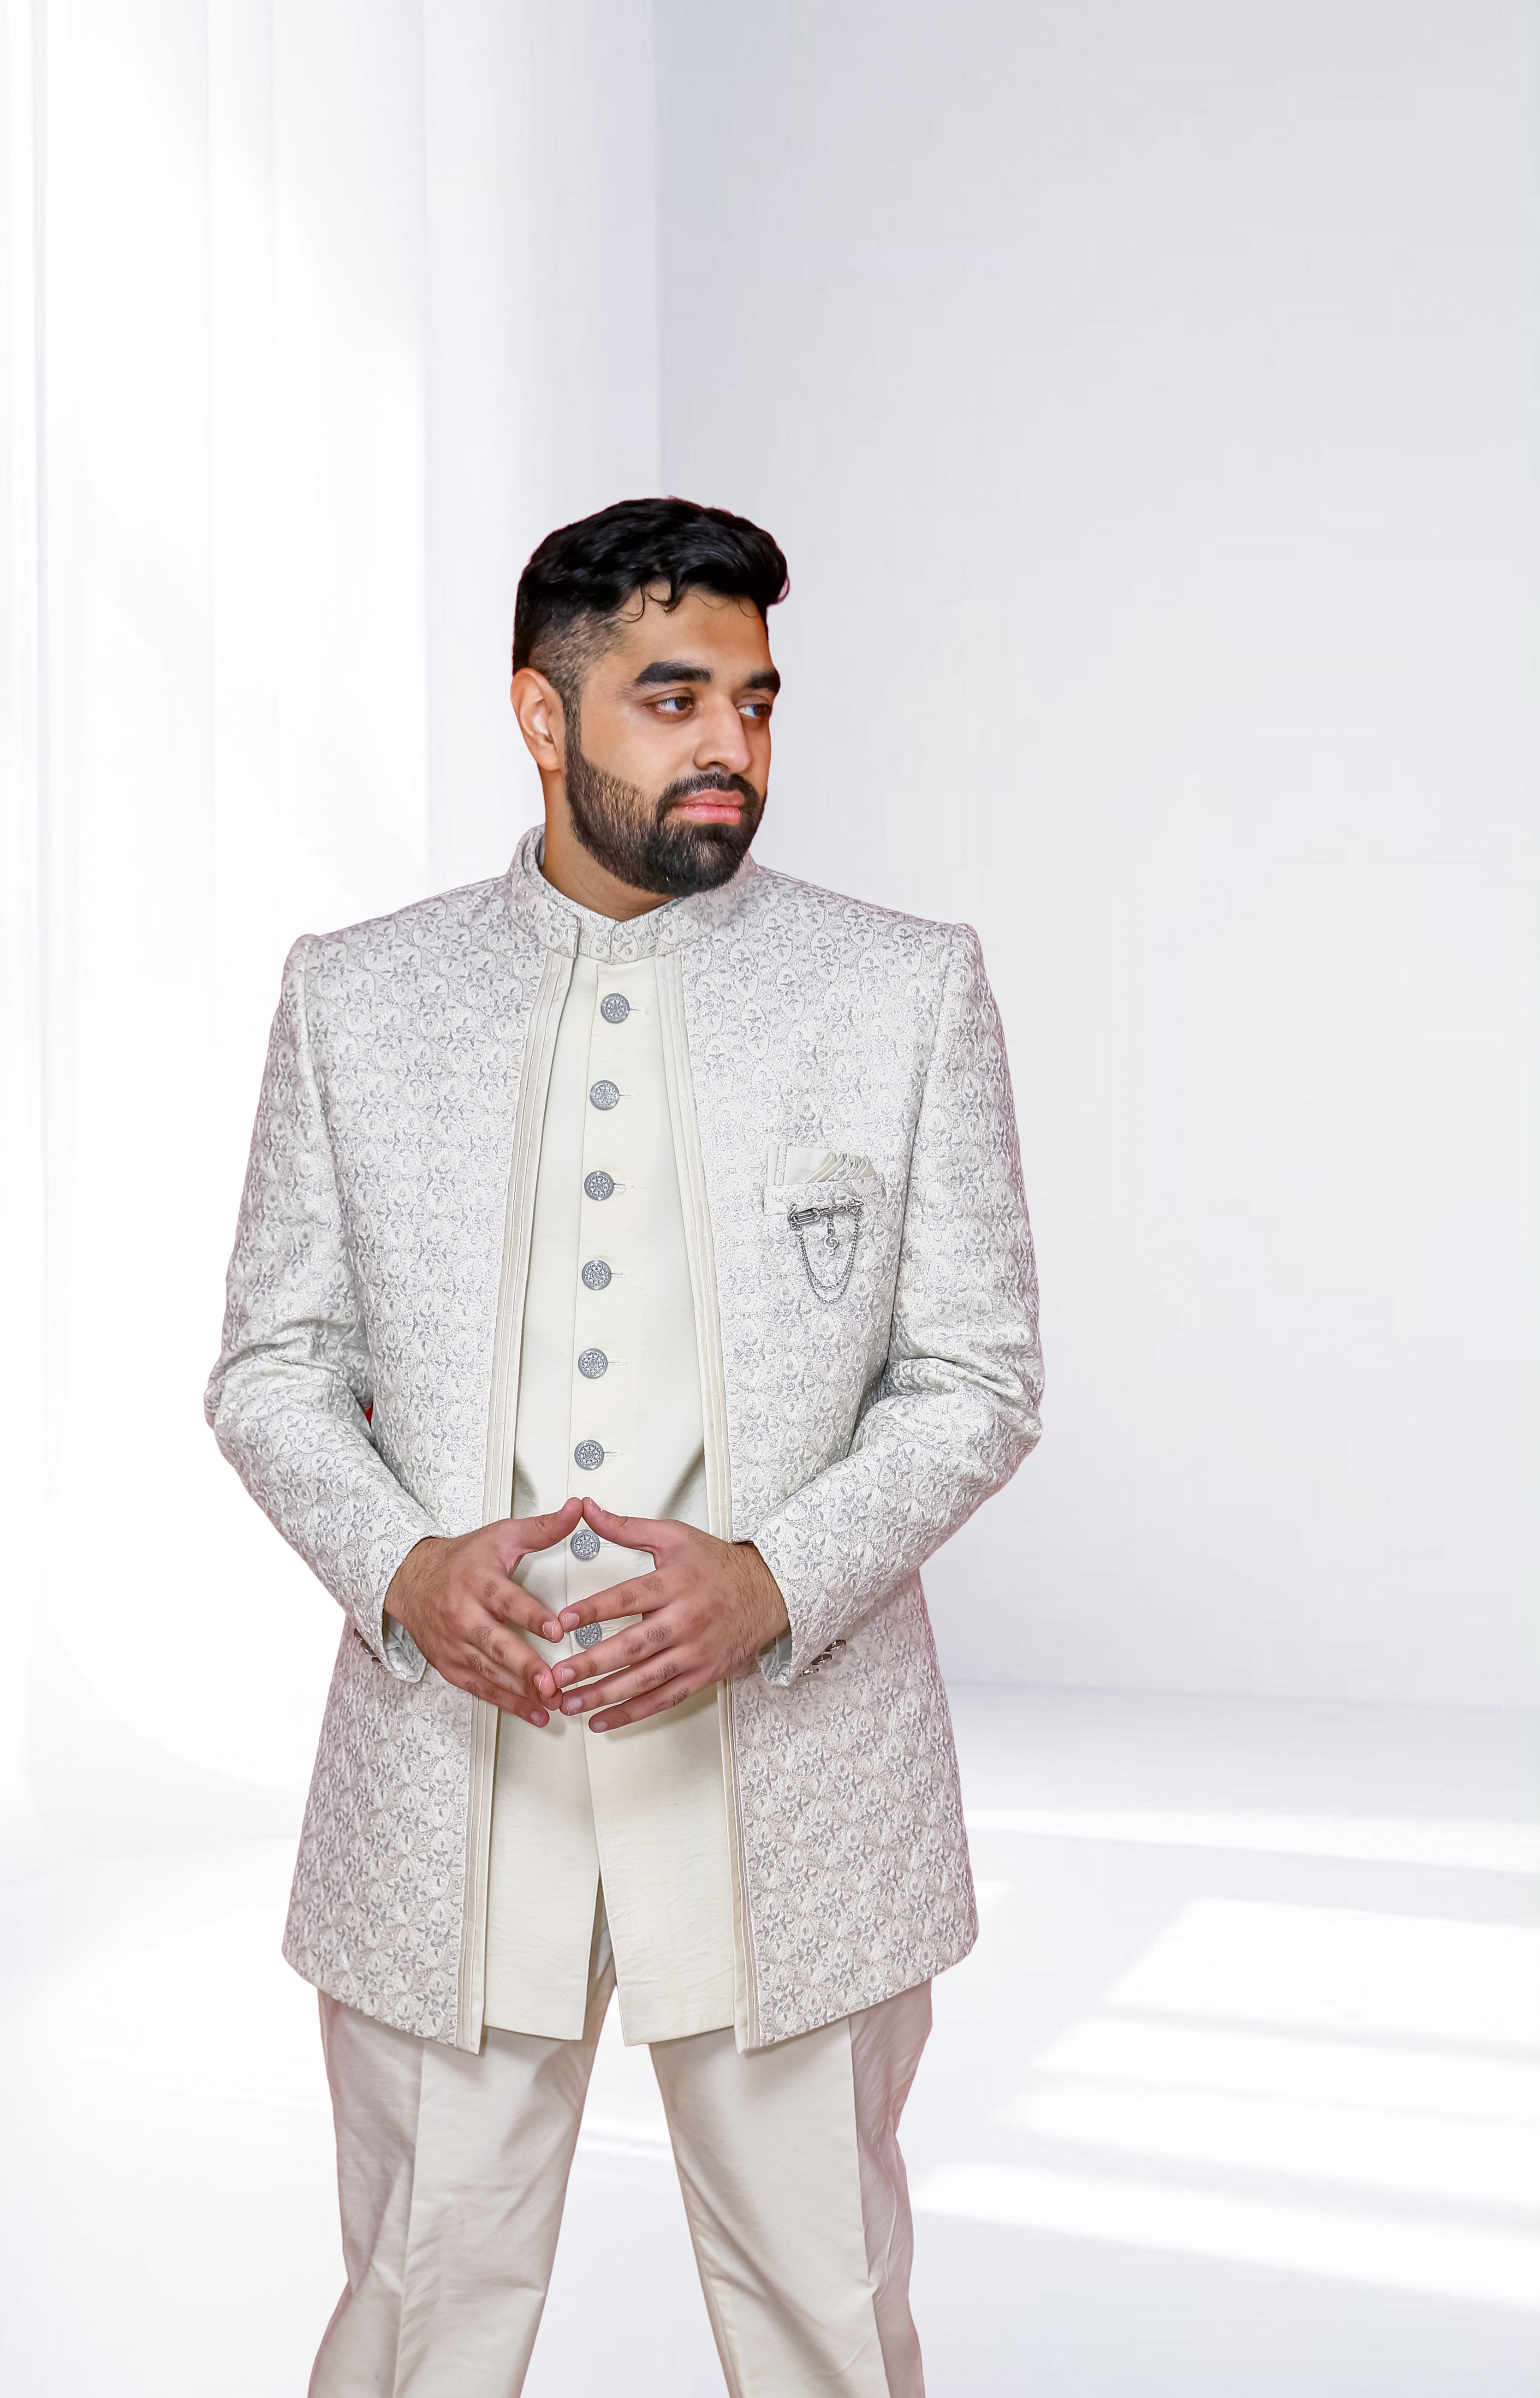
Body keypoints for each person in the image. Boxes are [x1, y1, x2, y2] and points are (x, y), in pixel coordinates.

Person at [206, 496, 1043, 2397]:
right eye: (674, 700)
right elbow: (269, 1363)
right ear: (541, 712)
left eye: (755, 702)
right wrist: (410, 1574)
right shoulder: (359, 995)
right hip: (451, 1769)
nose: (731, 747)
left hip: (799, 1776)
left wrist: (775, 1585)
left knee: (829, 2318)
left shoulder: (899, 989)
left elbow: (979, 1373)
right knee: (420, 2312)